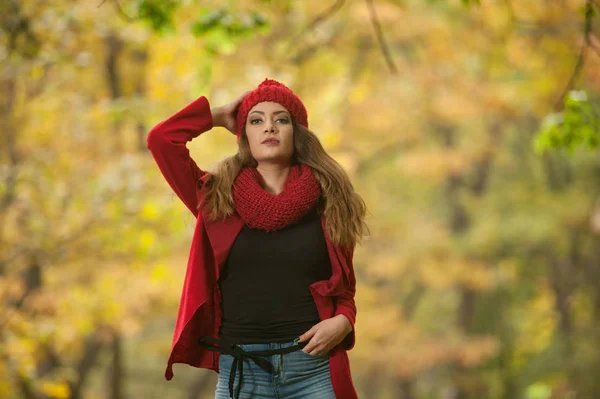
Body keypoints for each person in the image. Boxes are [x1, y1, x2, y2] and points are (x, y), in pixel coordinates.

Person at [146, 79, 368, 399]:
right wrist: (219, 115)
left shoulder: (329, 198)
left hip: (313, 369)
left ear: (297, 132)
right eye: (256, 120)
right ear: (244, 135)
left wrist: (345, 321)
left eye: (281, 119)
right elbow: (161, 140)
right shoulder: (215, 197)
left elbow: (344, 289)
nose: (269, 128)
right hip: (242, 373)